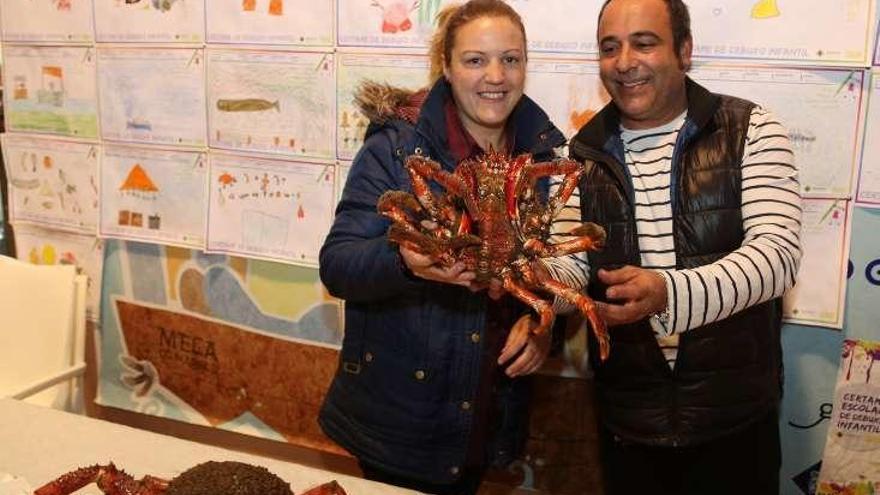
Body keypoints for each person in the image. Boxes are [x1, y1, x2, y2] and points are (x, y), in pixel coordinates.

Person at [318, 1, 586, 494]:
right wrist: (405, 262)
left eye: (511, 59)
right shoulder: (396, 149)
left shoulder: (546, 158)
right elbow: (337, 264)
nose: (496, 76)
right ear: (446, 64)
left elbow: (558, 269)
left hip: (485, 416)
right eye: (475, 60)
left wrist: (543, 324)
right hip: (399, 423)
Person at [568, 0, 803, 494]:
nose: (625, 61)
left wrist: (668, 293)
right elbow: (570, 264)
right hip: (628, 427)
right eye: (610, 48)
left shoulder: (751, 130)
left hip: (735, 426)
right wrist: (529, 281)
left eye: (645, 43)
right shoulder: (576, 155)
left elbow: (777, 256)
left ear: (685, 50)